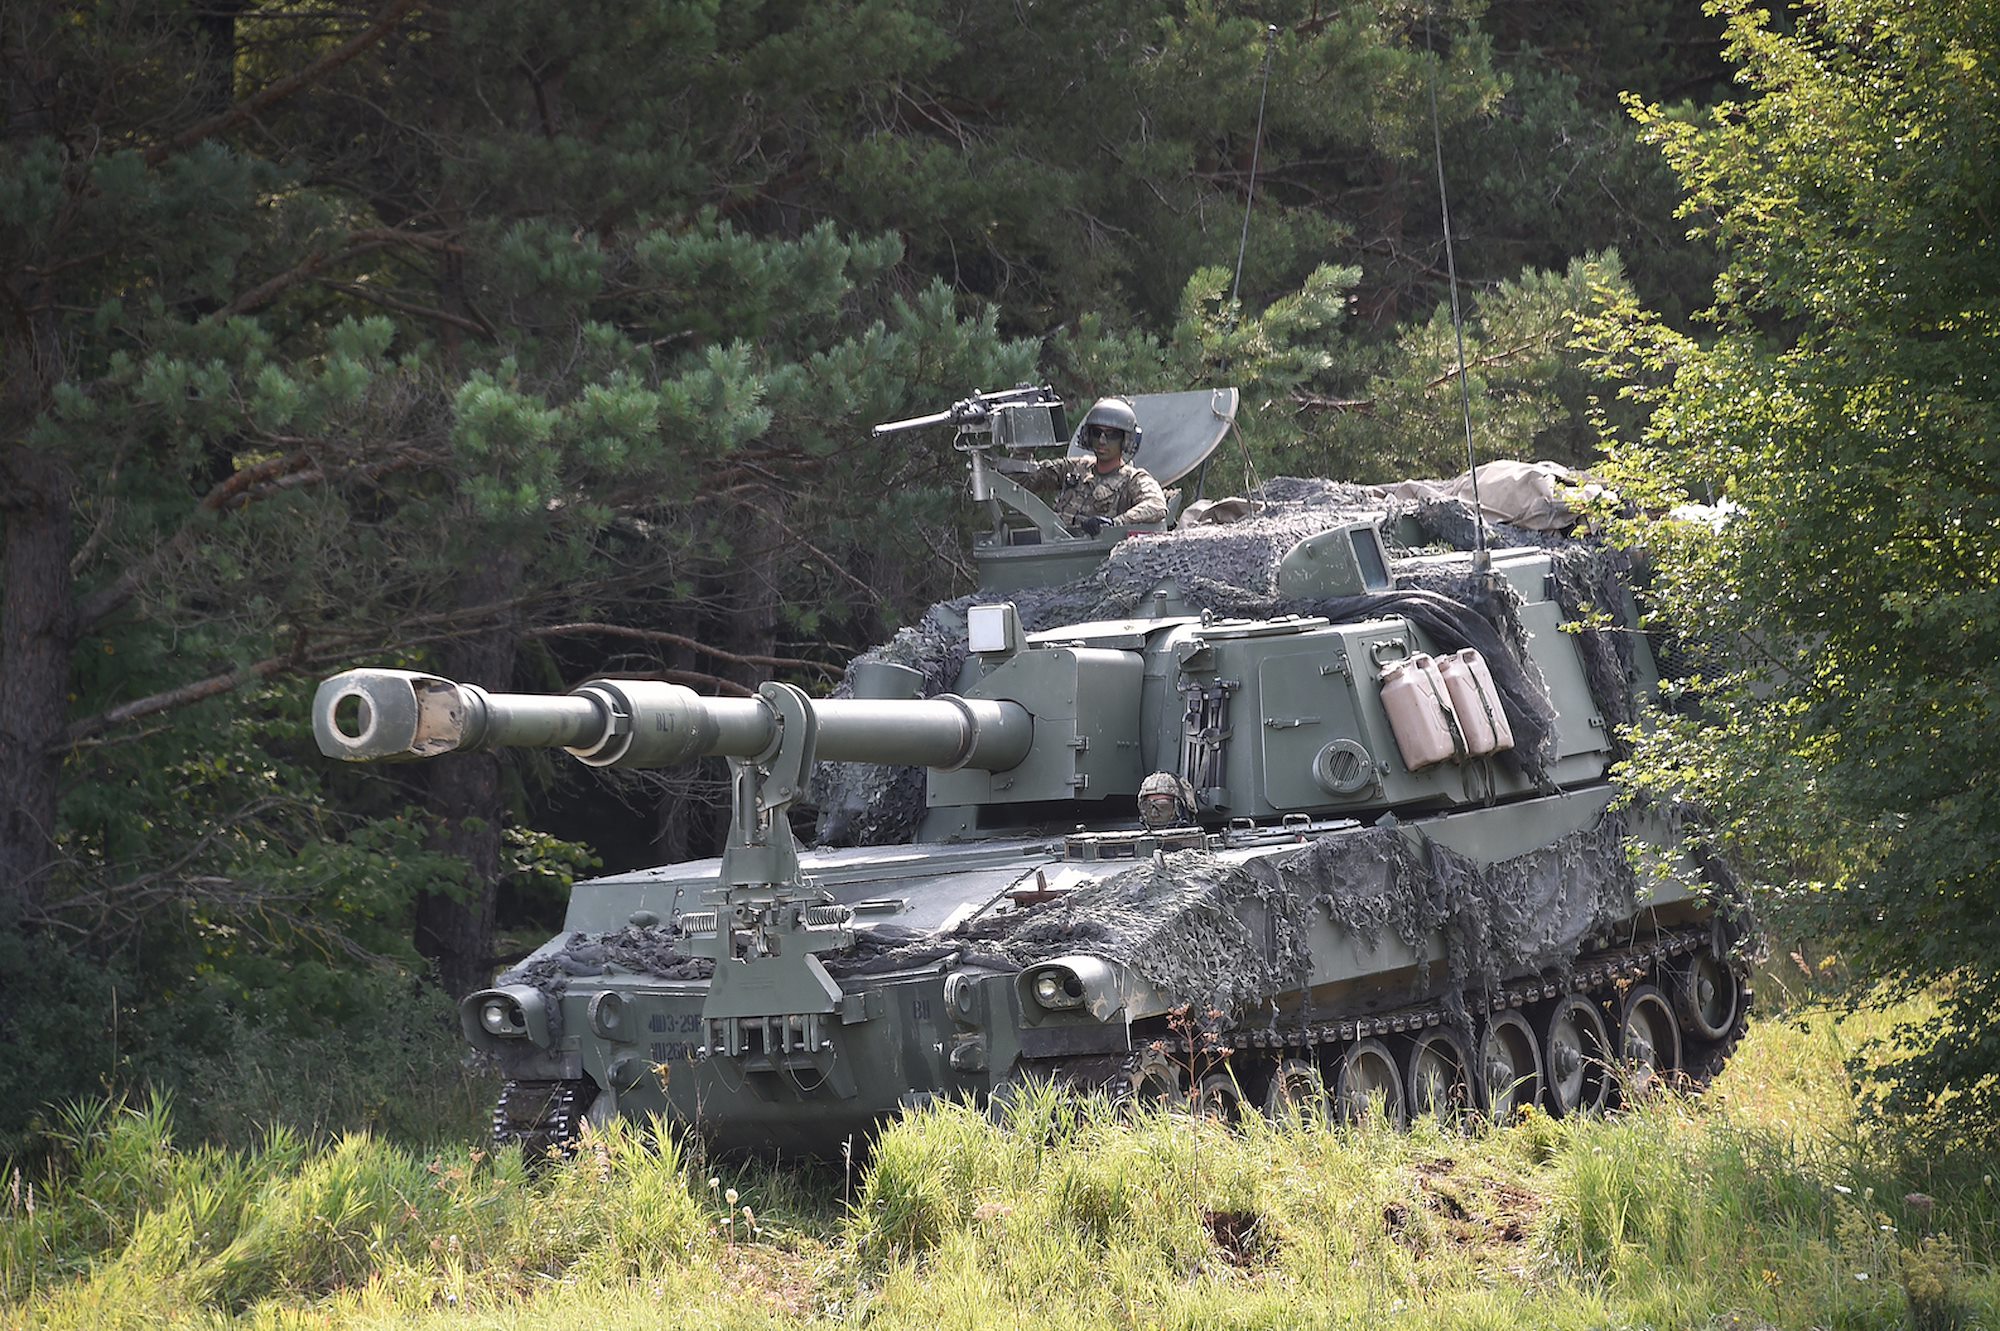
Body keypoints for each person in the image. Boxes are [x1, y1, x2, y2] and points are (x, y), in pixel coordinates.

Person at [1009, 397, 1167, 536]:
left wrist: (1114, 523)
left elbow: (1156, 506)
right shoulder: (1074, 468)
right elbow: (1019, 480)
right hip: (1057, 546)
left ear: (1126, 440)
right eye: (1097, 433)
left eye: (1111, 434)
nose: (1102, 441)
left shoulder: (1133, 479)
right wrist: (1026, 442)